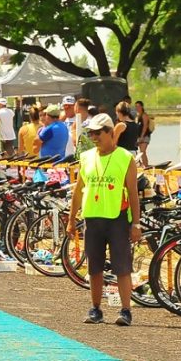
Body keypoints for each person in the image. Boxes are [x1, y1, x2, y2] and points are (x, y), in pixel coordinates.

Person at [67, 113, 141, 326]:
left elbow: (133, 193)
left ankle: (126, 310)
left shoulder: (125, 158)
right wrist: (72, 219)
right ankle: (96, 309)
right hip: (93, 218)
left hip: (117, 218)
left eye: (98, 133)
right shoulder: (87, 156)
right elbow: (79, 191)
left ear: (110, 132)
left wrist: (136, 223)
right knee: (94, 267)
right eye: (91, 134)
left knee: (122, 266)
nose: (94, 137)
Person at [135, 101, 151, 166]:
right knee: (141, 152)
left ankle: (146, 166)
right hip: (139, 136)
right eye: (136, 106)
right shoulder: (138, 116)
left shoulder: (144, 115)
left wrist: (142, 136)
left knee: (143, 151)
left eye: (138, 106)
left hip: (145, 136)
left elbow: (145, 126)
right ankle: (143, 165)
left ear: (142, 106)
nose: (137, 108)